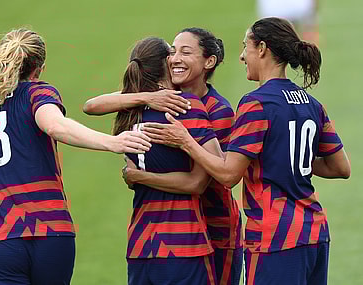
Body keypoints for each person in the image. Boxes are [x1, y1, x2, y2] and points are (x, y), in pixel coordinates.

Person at [141, 17, 351, 285]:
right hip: (315, 234)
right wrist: (281, 153)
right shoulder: (311, 103)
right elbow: (339, 167)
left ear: (262, 48)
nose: (242, 56)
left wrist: (185, 141)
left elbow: (228, 175)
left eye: (246, 47)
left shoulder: (256, 104)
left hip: (275, 237)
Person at [0, 28, 151, 285]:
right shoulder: (36, 93)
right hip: (53, 235)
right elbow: (55, 125)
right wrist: (112, 142)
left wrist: (5, 209)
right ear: (38, 68)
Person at [84, 28, 243, 285]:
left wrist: (142, 174)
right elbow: (91, 105)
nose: (176, 58)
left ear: (208, 62)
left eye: (184, 52)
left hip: (214, 225)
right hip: (186, 234)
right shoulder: (171, 105)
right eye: (172, 52)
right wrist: (149, 96)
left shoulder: (217, 111)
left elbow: (222, 174)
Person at [112, 36, 221, 284]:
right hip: (183, 243)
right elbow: (198, 182)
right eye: (172, 54)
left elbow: (91, 105)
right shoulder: (185, 105)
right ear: (166, 63)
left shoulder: (128, 111)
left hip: (141, 244)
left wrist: (138, 177)